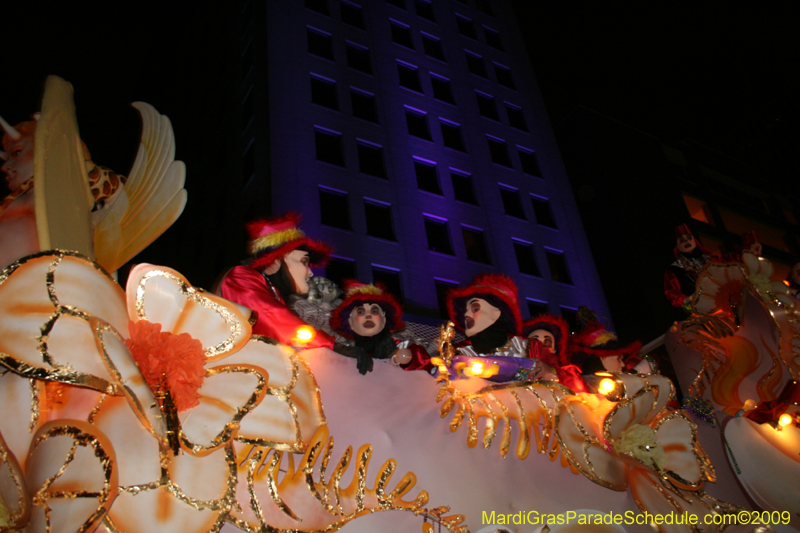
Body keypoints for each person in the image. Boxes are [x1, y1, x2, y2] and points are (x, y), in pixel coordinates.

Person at [218, 213, 336, 349]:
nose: (310, 273)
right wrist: (329, 344)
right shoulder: (240, 277)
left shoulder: (275, 294)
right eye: (303, 262)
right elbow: (271, 317)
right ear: (273, 263)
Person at [446, 273, 546, 382]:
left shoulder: (530, 347)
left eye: (475, 308)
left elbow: (564, 376)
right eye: (465, 311)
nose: (466, 315)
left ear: (497, 313)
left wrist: (551, 371)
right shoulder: (456, 353)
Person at [330, 281, 432, 375]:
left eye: (374, 311)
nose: (368, 316)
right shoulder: (338, 358)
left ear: (384, 320)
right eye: (360, 312)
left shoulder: (412, 353)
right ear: (350, 322)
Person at [522, 315, 587, 392]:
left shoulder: (569, 375)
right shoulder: (516, 367)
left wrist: (553, 371)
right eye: (535, 341)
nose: (540, 345)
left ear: (554, 349)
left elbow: (579, 393)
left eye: (547, 342)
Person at [664, 224, 714, 311]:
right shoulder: (674, 269)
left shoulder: (711, 260)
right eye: (682, 240)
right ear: (677, 246)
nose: (687, 242)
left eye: (689, 238)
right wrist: (688, 299)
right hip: (702, 308)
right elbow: (671, 292)